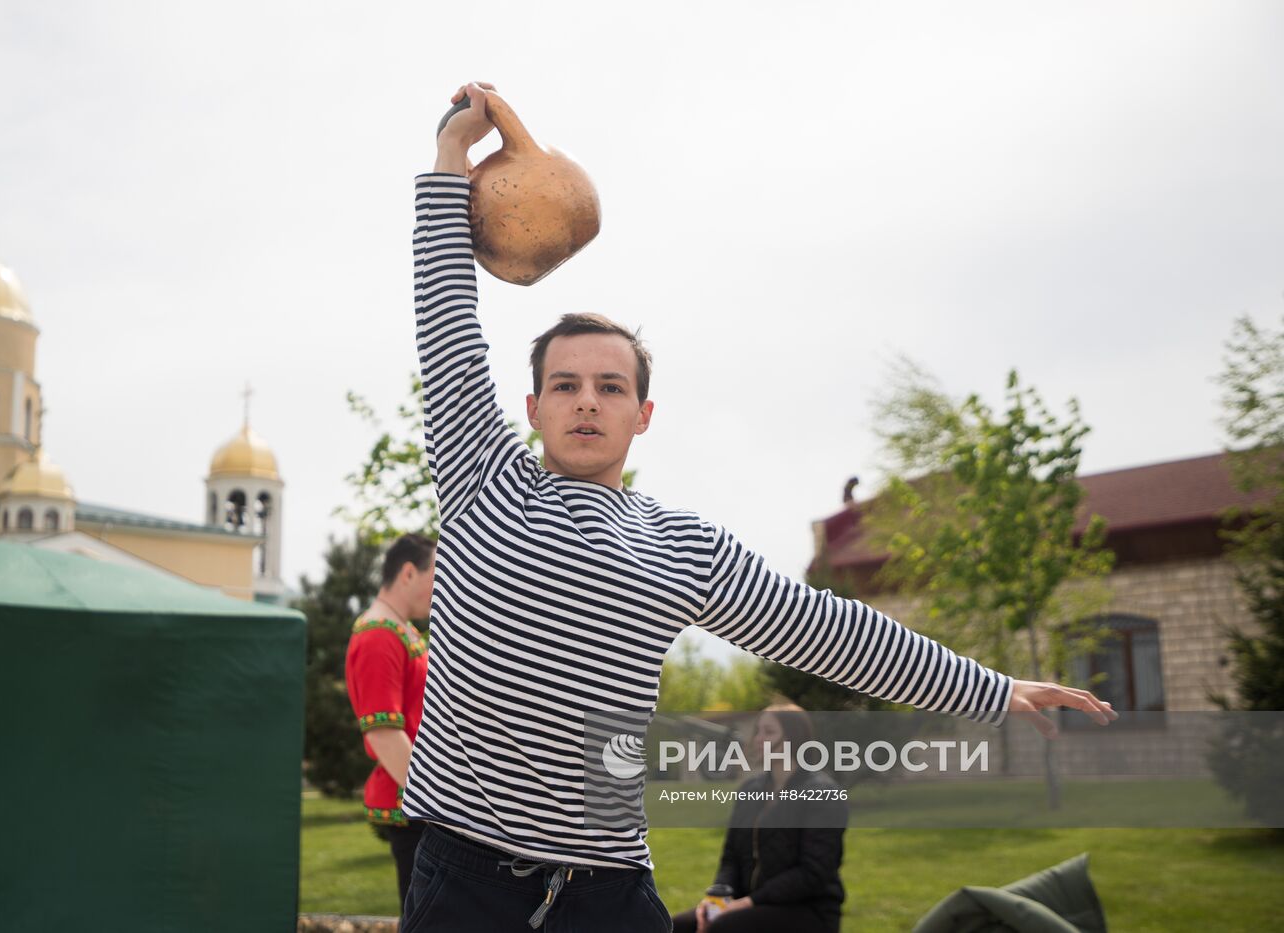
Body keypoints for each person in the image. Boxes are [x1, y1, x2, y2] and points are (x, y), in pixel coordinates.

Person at [399, 81, 1117, 933]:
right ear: (532, 408)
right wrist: (450, 161)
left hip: (604, 892)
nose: (586, 401)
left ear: (643, 414)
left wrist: (993, 688)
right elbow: (446, 316)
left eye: (610, 386)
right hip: (465, 878)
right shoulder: (486, 478)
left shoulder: (678, 544)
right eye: (565, 384)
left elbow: (827, 628)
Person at [672, 703, 847, 933]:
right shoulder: (750, 789)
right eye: (758, 731)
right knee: (673, 927)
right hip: (750, 903)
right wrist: (717, 898)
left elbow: (814, 873)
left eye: (769, 732)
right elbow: (731, 857)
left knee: (725, 927)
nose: (758, 739)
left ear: (794, 738)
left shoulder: (822, 792)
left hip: (808, 909)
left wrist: (747, 903)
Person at [344, 533, 437, 911]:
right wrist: (436, 799)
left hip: (419, 805)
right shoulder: (378, 635)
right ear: (409, 573)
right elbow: (384, 735)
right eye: (437, 574)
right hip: (415, 808)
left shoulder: (399, 629)